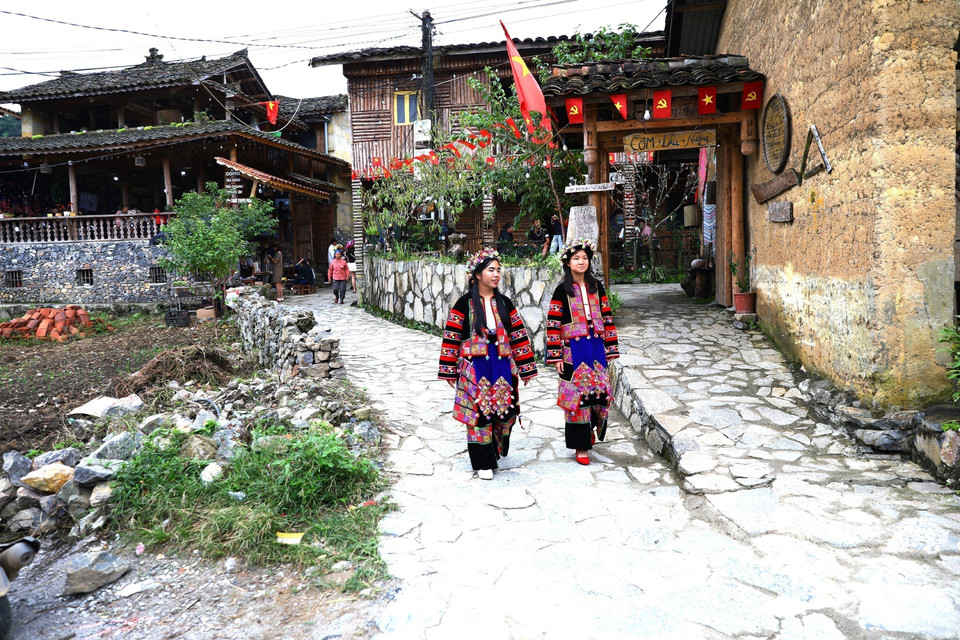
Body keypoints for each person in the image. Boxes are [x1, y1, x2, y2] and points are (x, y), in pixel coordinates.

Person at [438, 248, 538, 479]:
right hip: (475, 369)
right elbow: (451, 337)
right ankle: (483, 462)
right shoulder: (464, 304)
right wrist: (449, 371)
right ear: (477, 274)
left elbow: (519, 337)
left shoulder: (504, 303)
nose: (496, 275)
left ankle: (494, 451)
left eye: (498, 270)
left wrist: (526, 368)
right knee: (478, 413)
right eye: (491, 270)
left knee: (504, 410)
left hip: (502, 366)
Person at [545, 238, 620, 465]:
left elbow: (607, 318)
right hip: (572, 352)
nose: (581, 262)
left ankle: (591, 430)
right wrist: (556, 355)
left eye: (584, 258)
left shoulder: (597, 287)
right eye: (576, 258)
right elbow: (553, 323)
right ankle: (581, 447)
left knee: (598, 393)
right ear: (567, 262)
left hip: (596, 348)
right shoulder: (561, 290)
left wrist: (610, 348)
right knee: (576, 397)